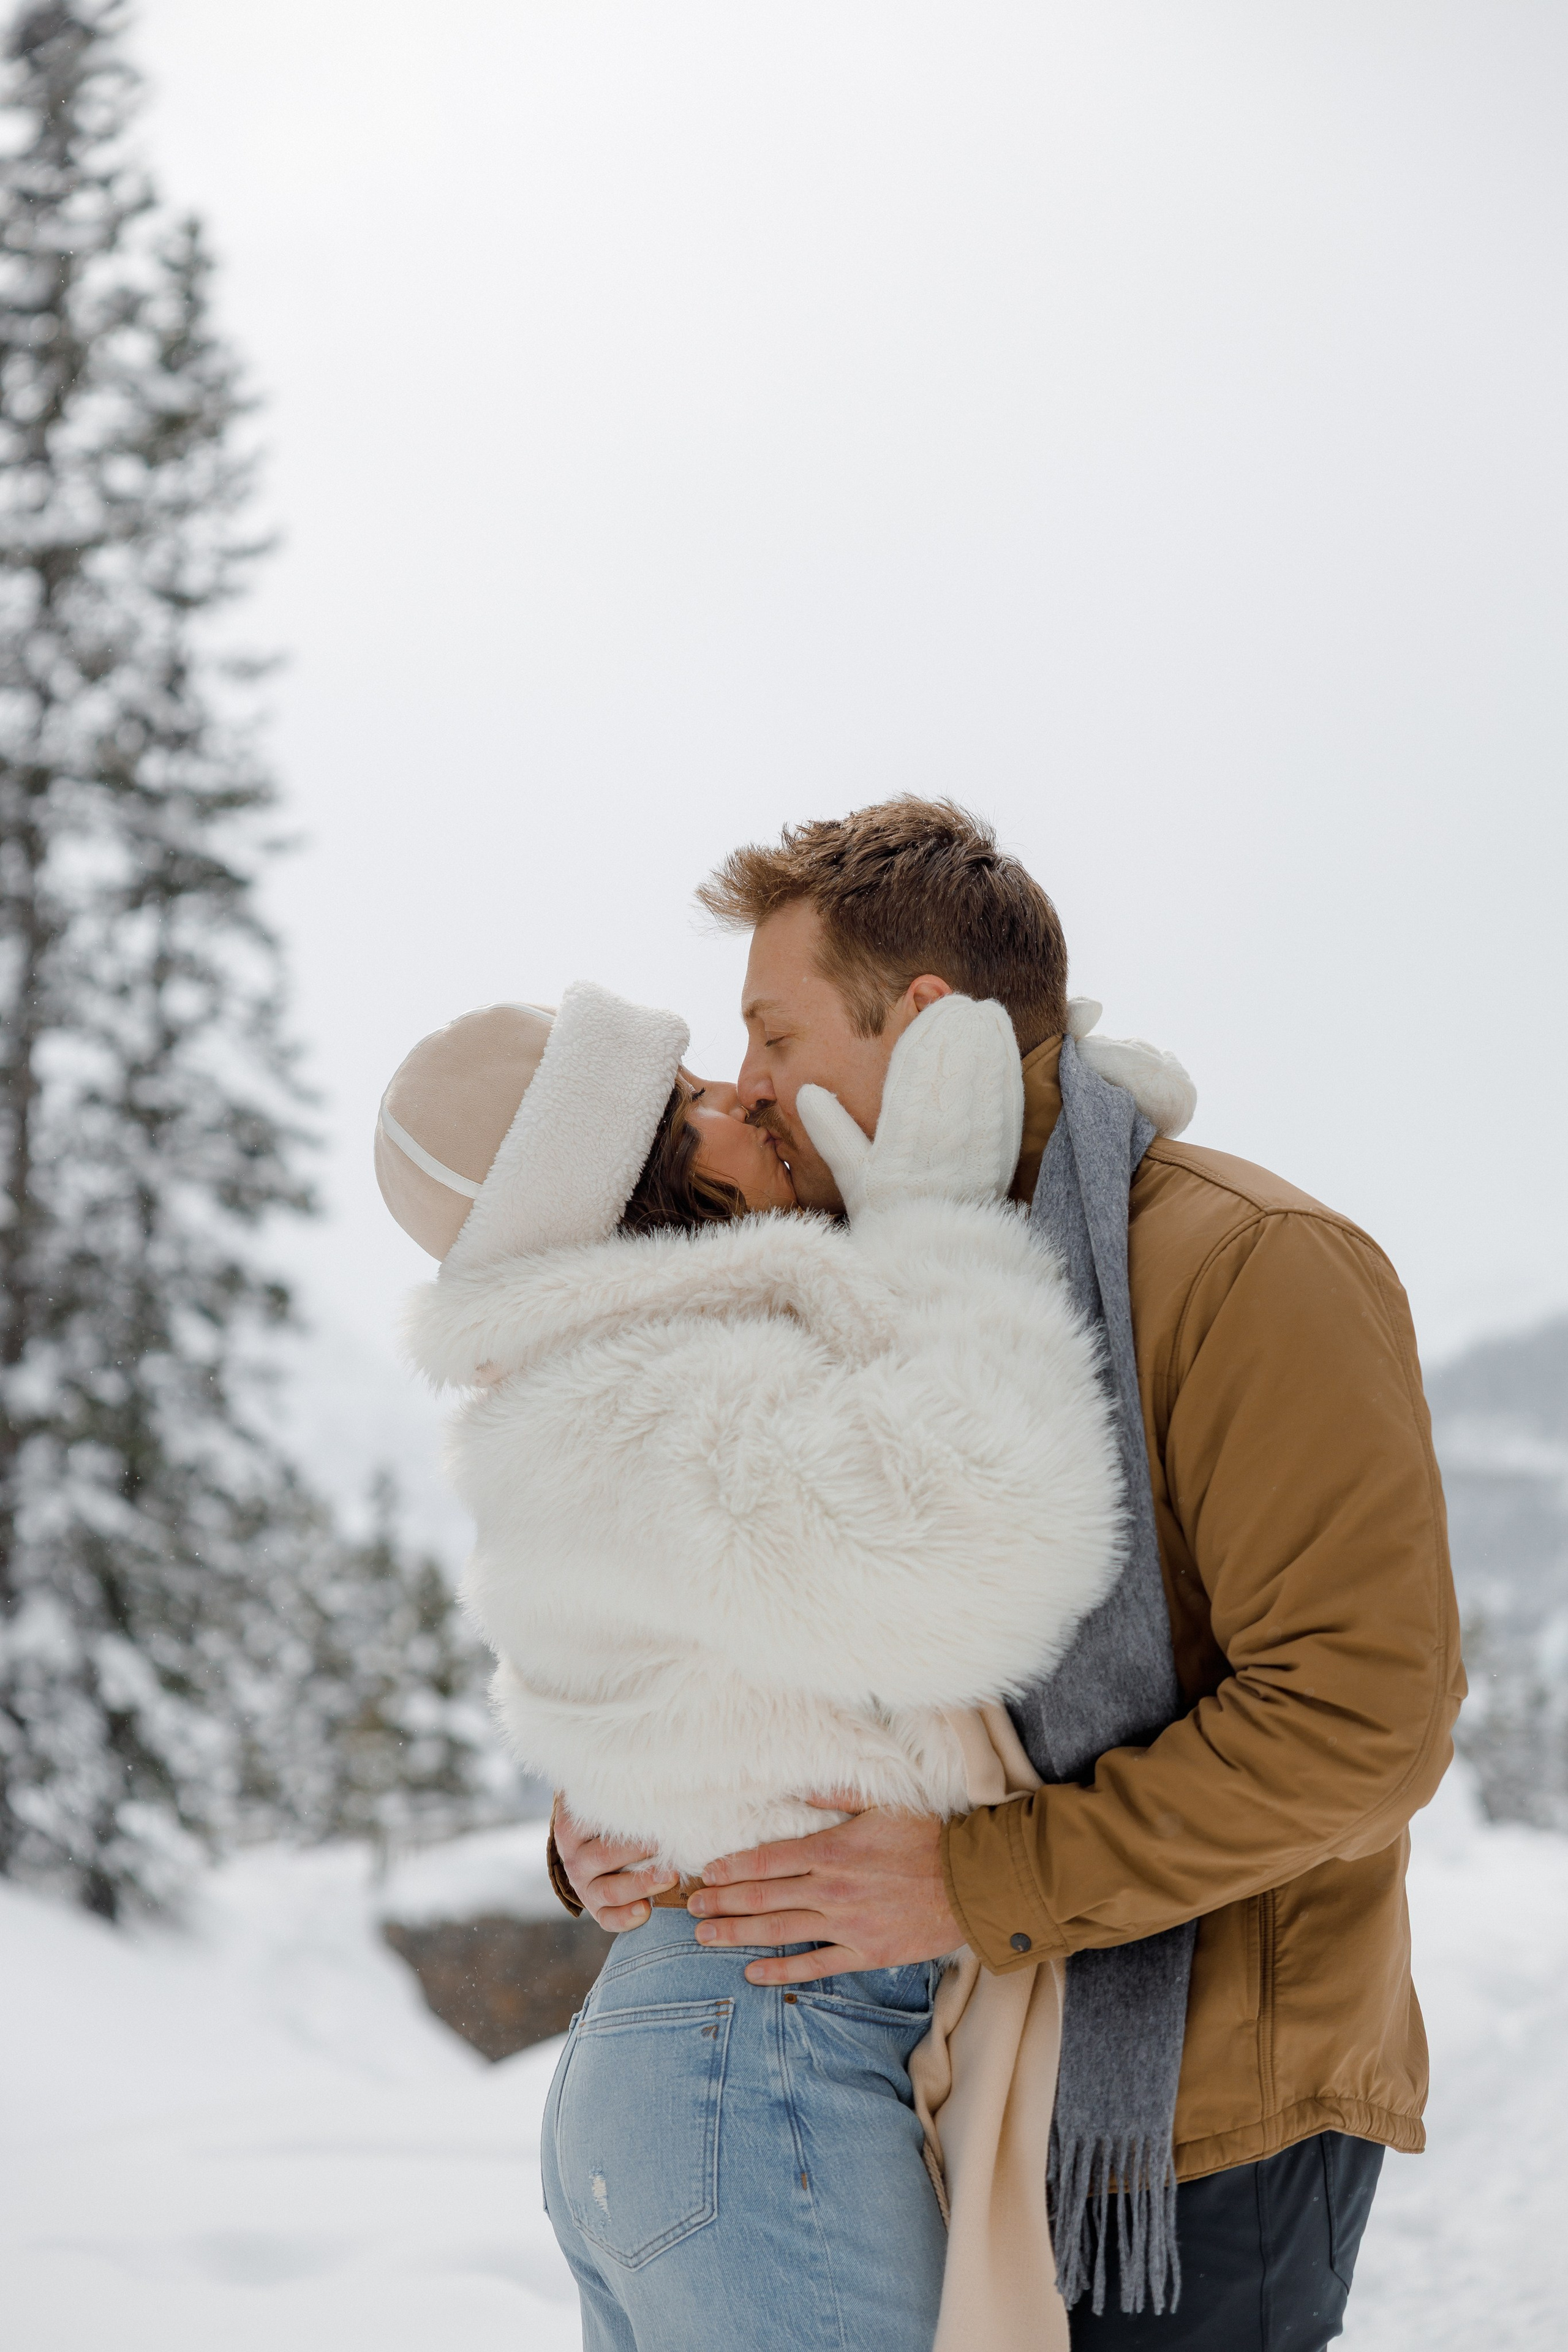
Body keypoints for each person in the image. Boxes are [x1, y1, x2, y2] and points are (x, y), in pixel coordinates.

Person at [551, 797, 1464, 2351]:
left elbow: (1360, 1722)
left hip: (1197, 2121)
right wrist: (628, 1813)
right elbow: (800, 1655)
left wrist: (974, 1885)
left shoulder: (1243, 1265)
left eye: (773, 1034)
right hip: (957, 2098)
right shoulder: (873, 1297)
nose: (749, 1084)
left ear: (919, 1020)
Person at [375, 976, 1182, 2351]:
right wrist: (943, 1221)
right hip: (760, 2054)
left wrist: (1057, 1112)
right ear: (629, 1191)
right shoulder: (649, 1398)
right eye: (696, 1101)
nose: (747, 1095)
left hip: (720, 2049)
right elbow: (992, 1534)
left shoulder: (643, 1367)